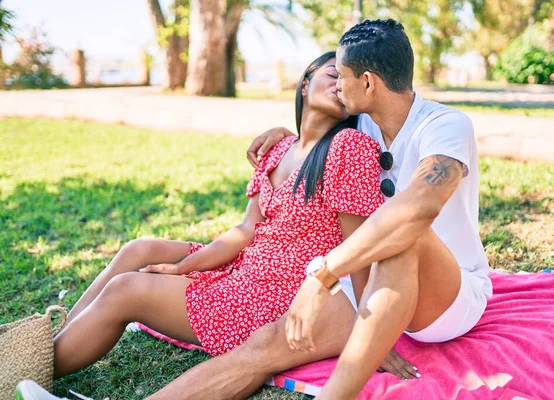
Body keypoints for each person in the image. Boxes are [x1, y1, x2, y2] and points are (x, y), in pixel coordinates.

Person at [146, 18, 491, 400]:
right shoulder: (364, 124)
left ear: (367, 84)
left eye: (340, 77)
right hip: (367, 280)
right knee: (266, 344)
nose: (338, 88)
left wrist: (324, 272)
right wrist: (286, 136)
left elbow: (419, 208)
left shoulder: (446, 125)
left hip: (447, 296)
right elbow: (316, 136)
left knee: (403, 236)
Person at [29, 51, 385, 385]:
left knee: (126, 290)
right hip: (246, 266)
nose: (340, 85)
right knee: (139, 249)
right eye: (333, 74)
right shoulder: (278, 149)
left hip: (274, 296)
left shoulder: (349, 147)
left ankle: (28, 372)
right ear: (304, 84)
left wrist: (370, 330)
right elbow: (246, 230)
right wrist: (184, 267)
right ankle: (52, 343)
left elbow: (358, 248)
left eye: (349, 80)